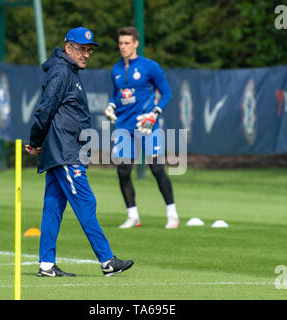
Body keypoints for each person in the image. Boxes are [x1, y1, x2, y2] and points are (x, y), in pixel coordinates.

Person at [25, 27, 133, 277]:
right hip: (65, 153)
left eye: (89, 50)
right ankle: (107, 261)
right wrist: (36, 140)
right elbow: (45, 109)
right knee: (86, 202)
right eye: (82, 49)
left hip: (62, 151)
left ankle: (46, 265)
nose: (86, 54)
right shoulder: (62, 71)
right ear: (68, 47)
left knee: (52, 207)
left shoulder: (68, 71)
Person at [103, 26, 180, 229]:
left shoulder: (150, 66)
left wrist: (155, 114)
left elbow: (167, 94)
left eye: (127, 43)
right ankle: (133, 216)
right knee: (123, 170)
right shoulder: (116, 69)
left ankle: (172, 214)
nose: (123, 47)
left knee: (156, 169)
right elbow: (116, 93)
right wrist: (111, 104)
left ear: (136, 43)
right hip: (124, 126)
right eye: (120, 43)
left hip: (147, 126)